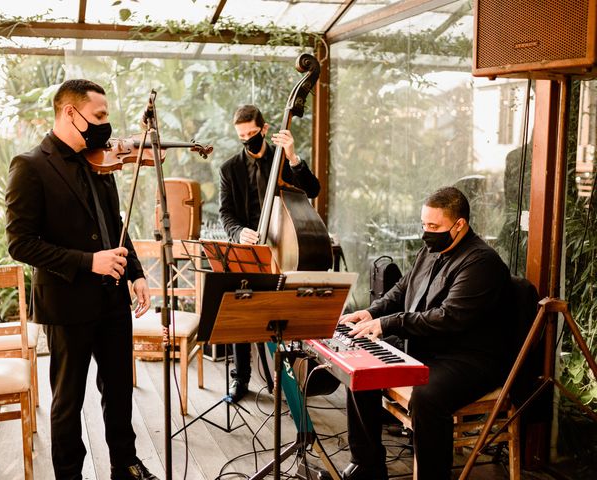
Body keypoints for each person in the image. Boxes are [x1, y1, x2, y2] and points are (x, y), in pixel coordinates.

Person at [5, 79, 158, 480]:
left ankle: (125, 465)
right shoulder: (30, 165)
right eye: (99, 116)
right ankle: (69, 474)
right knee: (68, 400)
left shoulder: (99, 161)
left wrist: (136, 273)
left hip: (111, 301)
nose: (106, 125)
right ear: (70, 113)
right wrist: (89, 262)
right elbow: (20, 244)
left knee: (119, 390)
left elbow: (115, 223)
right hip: (66, 303)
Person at [337, 187, 511, 480]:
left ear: (459, 225)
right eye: (423, 225)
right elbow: (402, 289)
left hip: (470, 357)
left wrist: (387, 324)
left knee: (428, 397)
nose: (425, 233)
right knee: (363, 362)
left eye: (434, 227)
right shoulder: (431, 250)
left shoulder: (482, 262)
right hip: (428, 344)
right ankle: (367, 465)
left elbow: (449, 318)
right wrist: (371, 312)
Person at [218, 104, 321, 401]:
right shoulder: (229, 169)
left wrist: (292, 156)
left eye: (252, 133)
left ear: (264, 129)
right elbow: (226, 213)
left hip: (286, 246)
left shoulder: (282, 160)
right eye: (241, 136)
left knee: (286, 314)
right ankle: (241, 380)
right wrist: (239, 233)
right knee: (240, 309)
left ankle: (290, 380)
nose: (247, 139)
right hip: (252, 248)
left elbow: (311, 190)